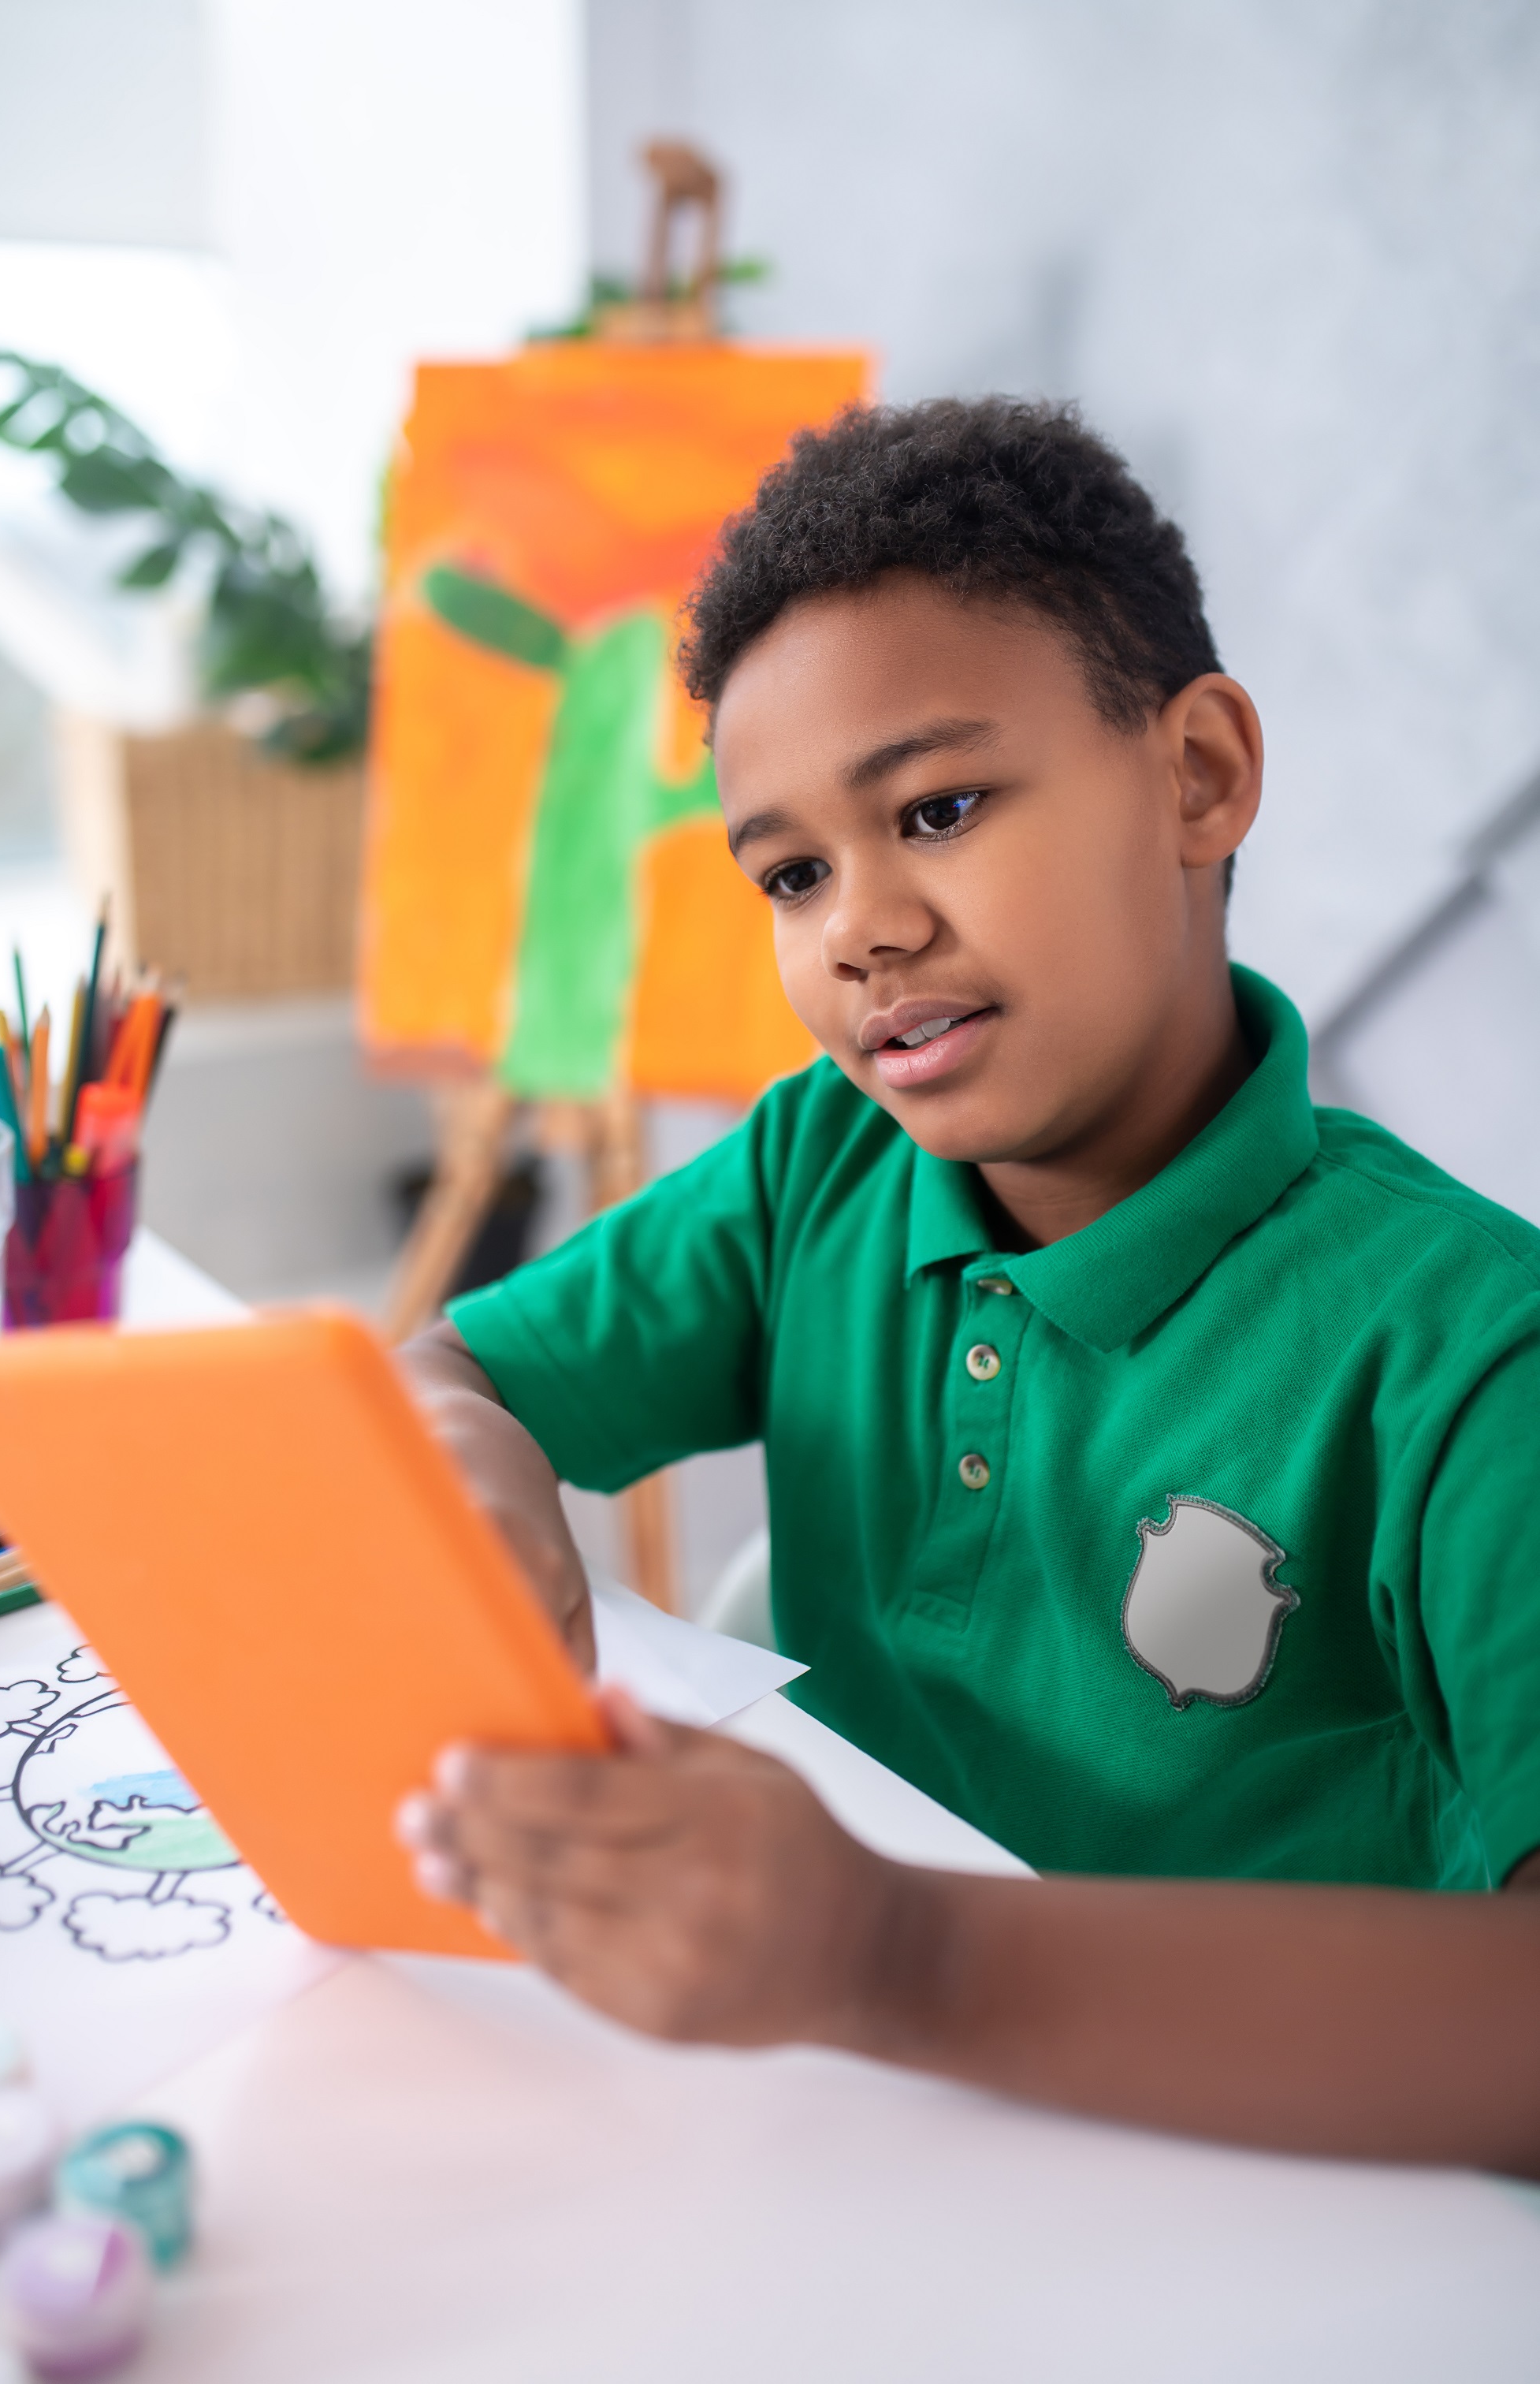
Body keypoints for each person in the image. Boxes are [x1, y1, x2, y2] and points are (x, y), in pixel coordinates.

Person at [395, 398, 1540, 2175]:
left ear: (1198, 776)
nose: (857, 928)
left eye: (934, 807)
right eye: (789, 872)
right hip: (832, 2134)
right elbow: (450, 1369)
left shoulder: (1470, 1358)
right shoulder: (812, 1175)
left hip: (1251, 2210)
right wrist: (459, 1454)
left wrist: (893, 1952)